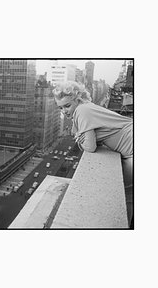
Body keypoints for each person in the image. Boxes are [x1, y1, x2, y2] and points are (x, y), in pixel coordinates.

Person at [53, 81, 133, 226]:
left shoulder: (82, 111)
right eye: (60, 107)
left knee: (125, 196)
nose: (64, 111)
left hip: (132, 148)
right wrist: (81, 136)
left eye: (67, 105)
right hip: (130, 146)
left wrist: (79, 137)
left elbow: (89, 147)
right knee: (128, 195)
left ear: (77, 100)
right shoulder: (85, 108)